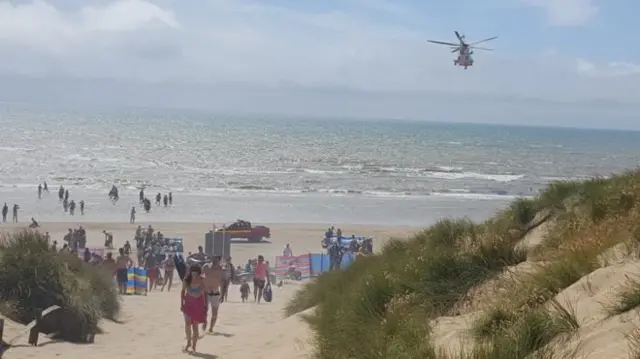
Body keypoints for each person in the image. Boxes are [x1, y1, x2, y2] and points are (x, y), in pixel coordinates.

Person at [181, 265, 206, 353]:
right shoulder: (186, 280)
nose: (194, 272)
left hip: (198, 305)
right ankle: (188, 342)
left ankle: (194, 346)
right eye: (192, 270)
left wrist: (205, 306)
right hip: (188, 304)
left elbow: (204, 293)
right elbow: (183, 291)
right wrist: (181, 303)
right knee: (187, 325)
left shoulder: (202, 280)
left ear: (199, 271)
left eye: (196, 270)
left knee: (195, 326)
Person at [202, 257, 223, 333]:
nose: (215, 263)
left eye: (216, 261)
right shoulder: (206, 267)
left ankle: (211, 328)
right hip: (206, 292)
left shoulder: (220, 269)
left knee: (215, 313)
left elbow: (222, 282)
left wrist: (223, 294)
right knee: (204, 310)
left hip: (215, 292)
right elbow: (200, 277)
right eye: (214, 261)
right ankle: (205, 322)